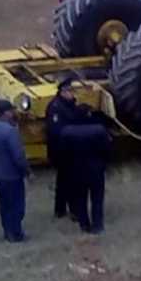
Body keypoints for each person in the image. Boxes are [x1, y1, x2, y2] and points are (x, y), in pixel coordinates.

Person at [0, 99, 30, 242]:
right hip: (12, 175)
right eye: (11, 111)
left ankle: (7, 231)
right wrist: (27, 172)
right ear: (6, 113)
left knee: (4, 204)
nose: (14, 113)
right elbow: (18, 156)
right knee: (17, 205)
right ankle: (15, 233)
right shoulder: (10, 132)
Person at [61, 109, 112, 235]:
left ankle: (84, 224)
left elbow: (62, 153)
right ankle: (97, 225)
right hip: (96, 170)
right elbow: (107, 150)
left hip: (76, 170)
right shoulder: (99, 130)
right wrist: (104, 164)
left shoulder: (67, 132)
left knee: (80, 199)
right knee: (97, 199)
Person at [45, 78, 81, 220]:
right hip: (62, 151)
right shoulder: (56, 107)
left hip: (70, 150)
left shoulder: (69, 105)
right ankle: (72, 211)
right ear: (63, 92)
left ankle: (61, 210)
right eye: (70, 91)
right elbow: (57, 131)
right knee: (70, 182)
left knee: (64, 181)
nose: (72, 94)